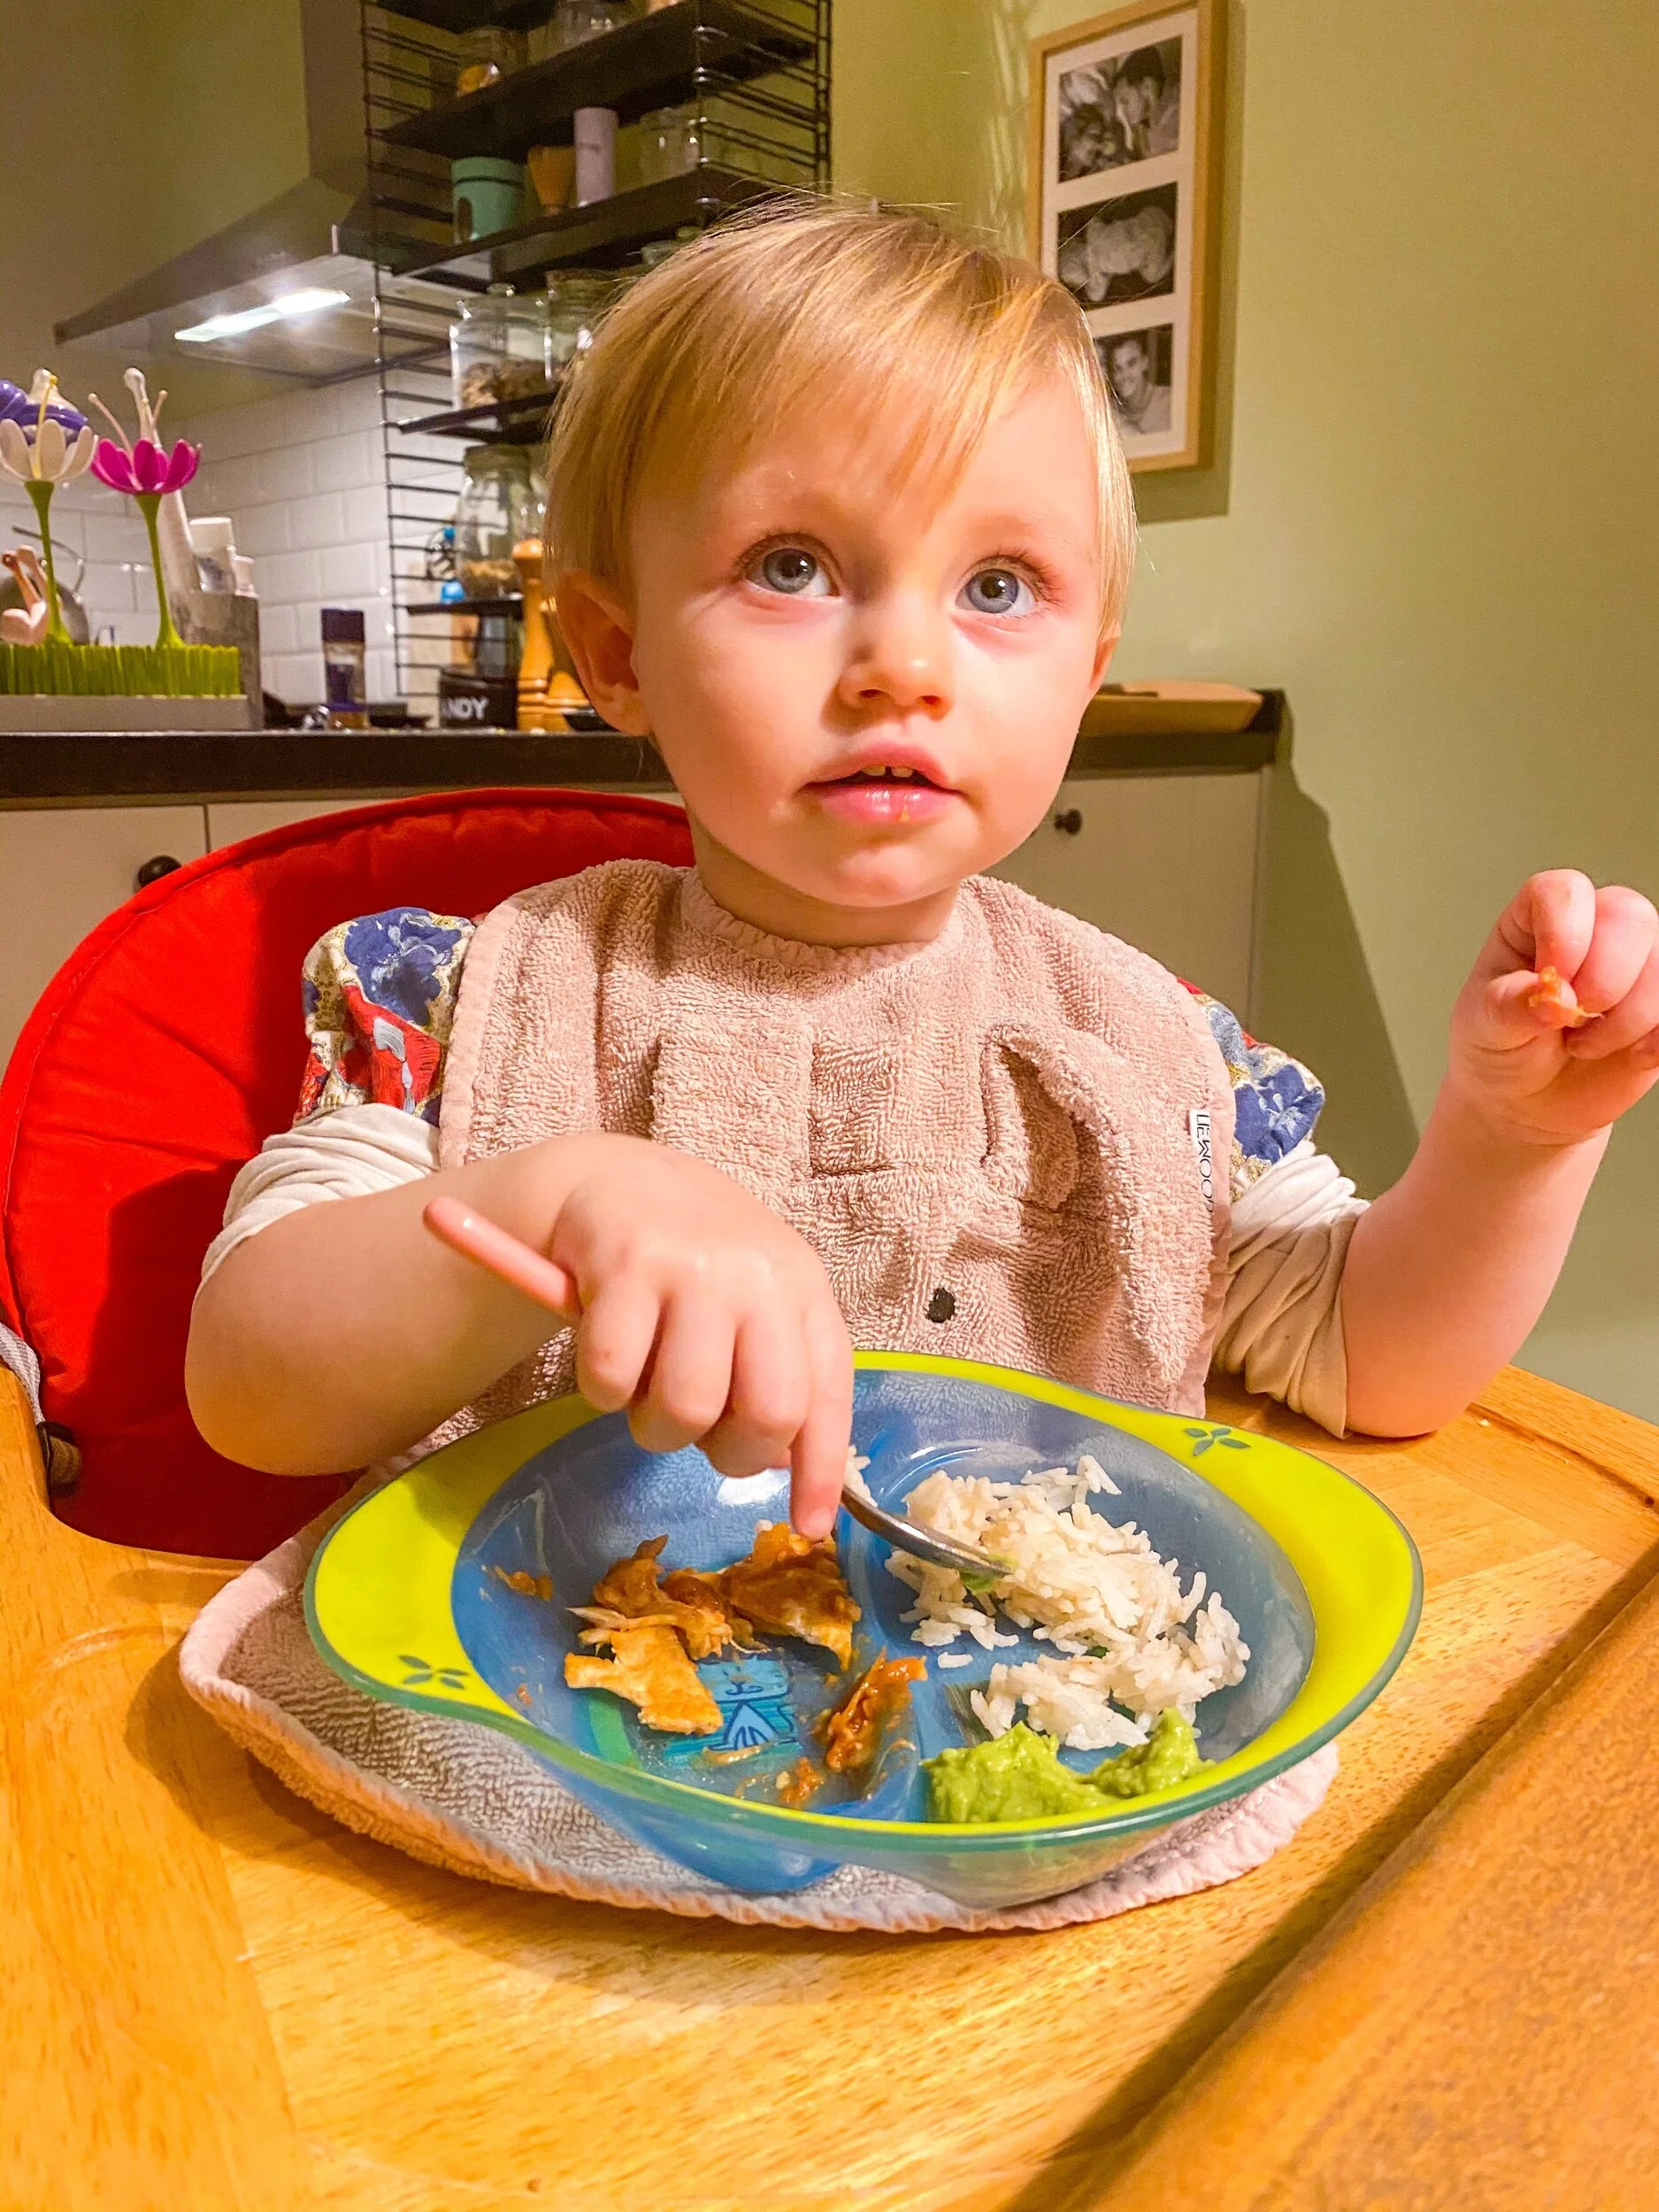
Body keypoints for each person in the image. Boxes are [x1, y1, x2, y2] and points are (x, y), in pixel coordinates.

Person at [187, 204, 1659, 1544]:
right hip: (550, 1732)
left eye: (997, 588)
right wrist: (556, 1201)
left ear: (1087, 675)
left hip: (1031, 1769)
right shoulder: (469, 1004)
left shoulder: (1143, 1048)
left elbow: (1369, 1358)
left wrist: (1510, 1146)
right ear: (617, 651)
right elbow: (248, 1388)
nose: (905, 665)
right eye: (791, 566)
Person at [1057, 196, 1175, 305]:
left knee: (1150, 272)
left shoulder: (1096, 265)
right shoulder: (1093, 233)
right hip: (1146, 227)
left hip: (1142, 243)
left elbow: (1096, 294)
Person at [1111, 43, 1181, 158]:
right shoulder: (1147, 128)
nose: (1122, 111)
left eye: (1125, 100)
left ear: (1147, 86)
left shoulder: (1176, 111)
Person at [1104, 329, 1172, 435]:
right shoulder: (1109, 413)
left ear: (1145, 363)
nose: (1125, 375)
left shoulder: (1169, 403)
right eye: (1118, 369)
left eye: (1131, 364)